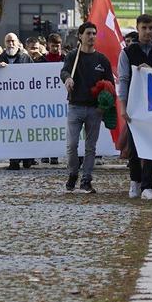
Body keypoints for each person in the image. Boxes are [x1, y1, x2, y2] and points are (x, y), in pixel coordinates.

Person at [119, 13, 152, 199]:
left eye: (150, 28)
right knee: (134, 146)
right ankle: (135, 181)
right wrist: (123, 107)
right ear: (137, 29)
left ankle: (148, 185)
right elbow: (123, 80)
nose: (148, 32)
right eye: (144, 28)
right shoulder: (127, 52)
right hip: (134, 105)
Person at [62, 22, 113, 194]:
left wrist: (103, 105)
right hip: (75, 106)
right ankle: (73, 173)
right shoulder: (72, 56)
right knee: (72, 144)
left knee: (91, 147)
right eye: (88, 34)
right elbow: (64, 71)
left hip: (94, 110)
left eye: (94, 33)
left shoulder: (102, 60)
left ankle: (86, 180)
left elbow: (110, 86)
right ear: (80, 36)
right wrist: (68, 78)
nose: (91, 37)